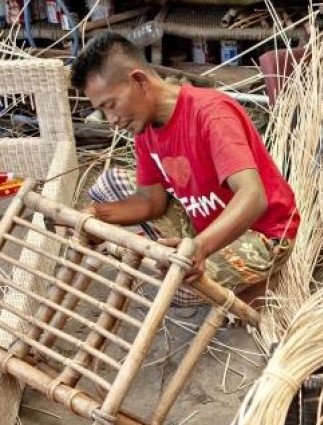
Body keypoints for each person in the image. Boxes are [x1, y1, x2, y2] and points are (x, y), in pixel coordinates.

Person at [71, 31, 299, 305]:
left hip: (262, 233)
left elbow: (253, 197)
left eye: (111, 105)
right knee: (108, 185)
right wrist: (96, 217)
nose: (111, 120)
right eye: (102, 110)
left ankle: (263, 283)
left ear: (139, 80)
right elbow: (150, 201)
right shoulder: (145, 128)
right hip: (206, 224)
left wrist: (198, 248)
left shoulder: (210, 114)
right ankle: (200, 257)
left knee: (178, 288)